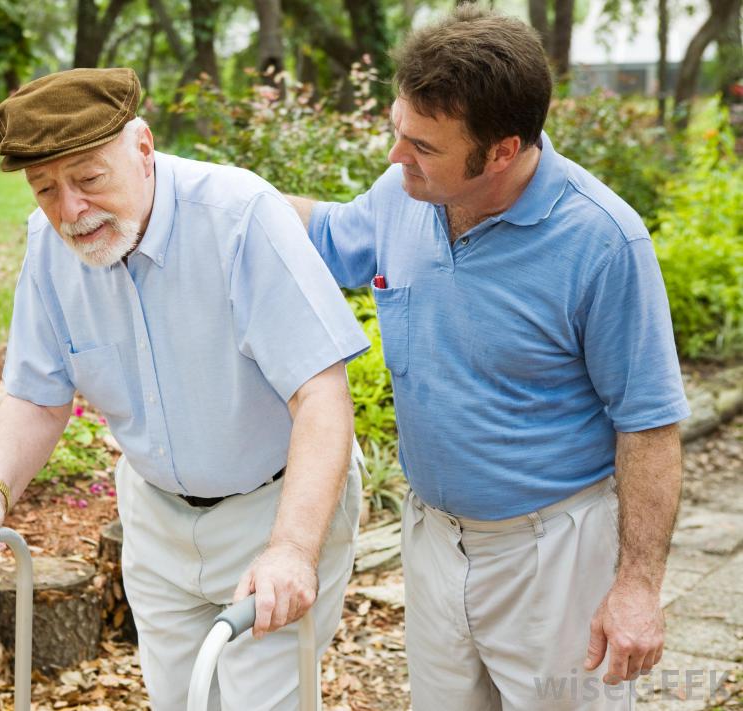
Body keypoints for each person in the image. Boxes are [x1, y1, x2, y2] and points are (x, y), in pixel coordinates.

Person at [287, 6, 689, 710]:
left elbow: (650, 424)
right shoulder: (402, 194)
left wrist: (636, 587)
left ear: (502, 151)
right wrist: (205, 197)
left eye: (422, 146)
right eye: (396, 130)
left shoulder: (602, 242)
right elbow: (323, 235)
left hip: (553, 556)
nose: (395, 157)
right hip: (433, 539)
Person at [0, 68, 369, 710]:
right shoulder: (48, 244)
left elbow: (323, 397)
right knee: (179, 703)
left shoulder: (240, 217)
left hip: (274, 510)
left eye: (87, 179)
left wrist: (291, 550)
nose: (69, 211)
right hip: (156, 517)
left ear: (143, 148)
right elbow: (37, 394)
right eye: (45, 188)